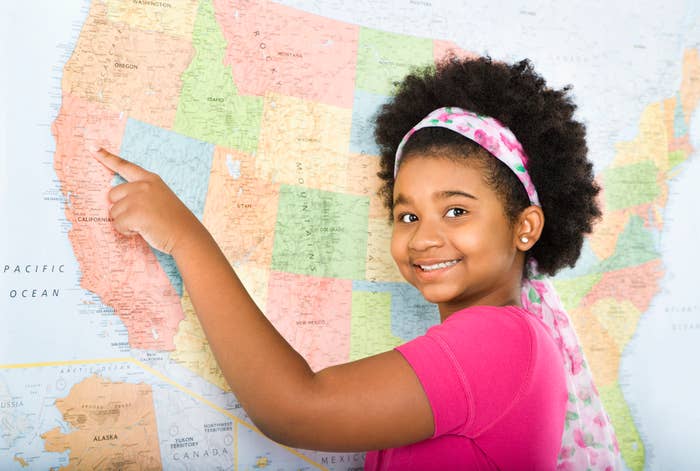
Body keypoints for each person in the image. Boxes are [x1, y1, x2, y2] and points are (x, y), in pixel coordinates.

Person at [93, 56, 621, 470]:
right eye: (407, 215)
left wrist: (187, 239)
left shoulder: (501, 340)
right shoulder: (517, 340)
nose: (423, 238)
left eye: (456, 210)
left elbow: (295, 408)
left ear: (525, 226)